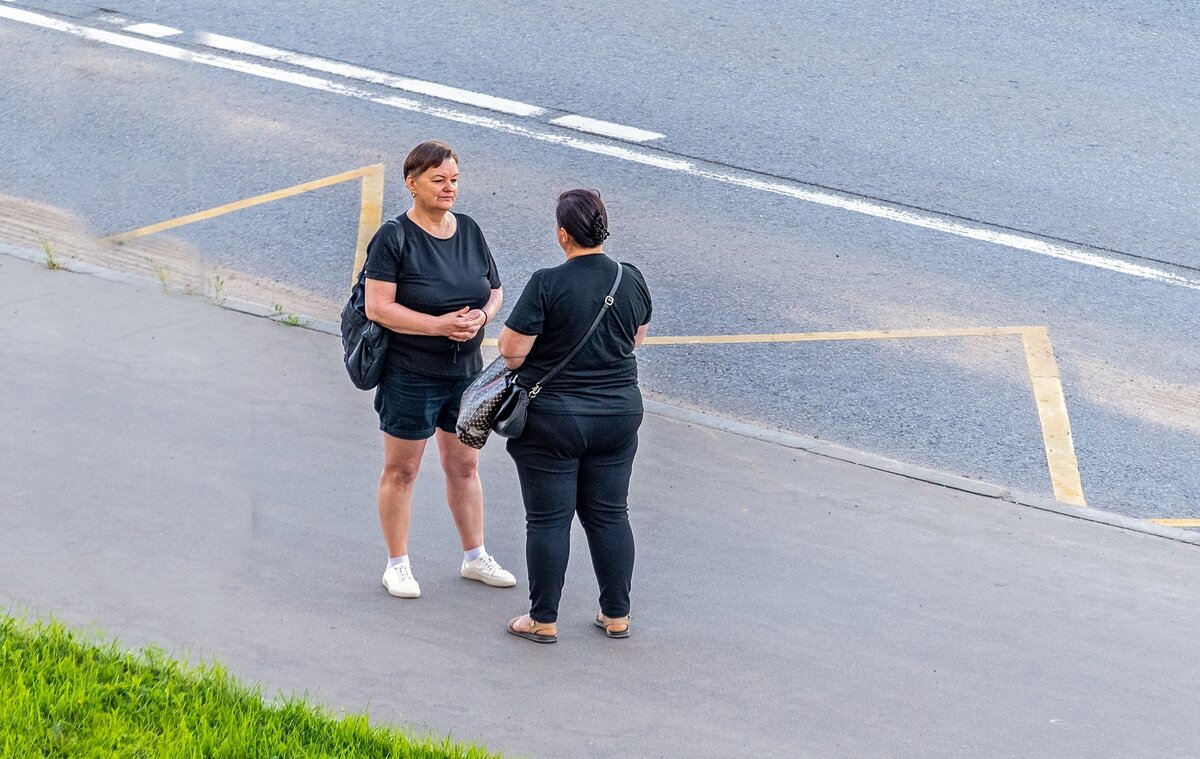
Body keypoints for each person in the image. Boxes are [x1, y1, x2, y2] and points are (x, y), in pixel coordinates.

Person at [497, 189, 652, 643]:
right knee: (609, 514)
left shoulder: (547, 282)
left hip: (553, 418)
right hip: (619, 415)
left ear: (562, 234)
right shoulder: (631, 278)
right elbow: (635, 340)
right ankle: (616, 614)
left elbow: (511, 351)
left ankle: (543, 619)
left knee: (548, 519)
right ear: (604, 225)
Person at [363, 140, 515, 599]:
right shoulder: (394, 238)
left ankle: (475, 557)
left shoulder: (468, 229)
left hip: (465, 373)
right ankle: (398, 564)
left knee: (465, 465)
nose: (449, 188)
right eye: (438, 180)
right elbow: (377, 307)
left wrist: (483, 318)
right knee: (403, 470)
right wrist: (437, 325)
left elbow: (495, 290)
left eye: (454, 180)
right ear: (412, 184)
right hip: (410, 373)